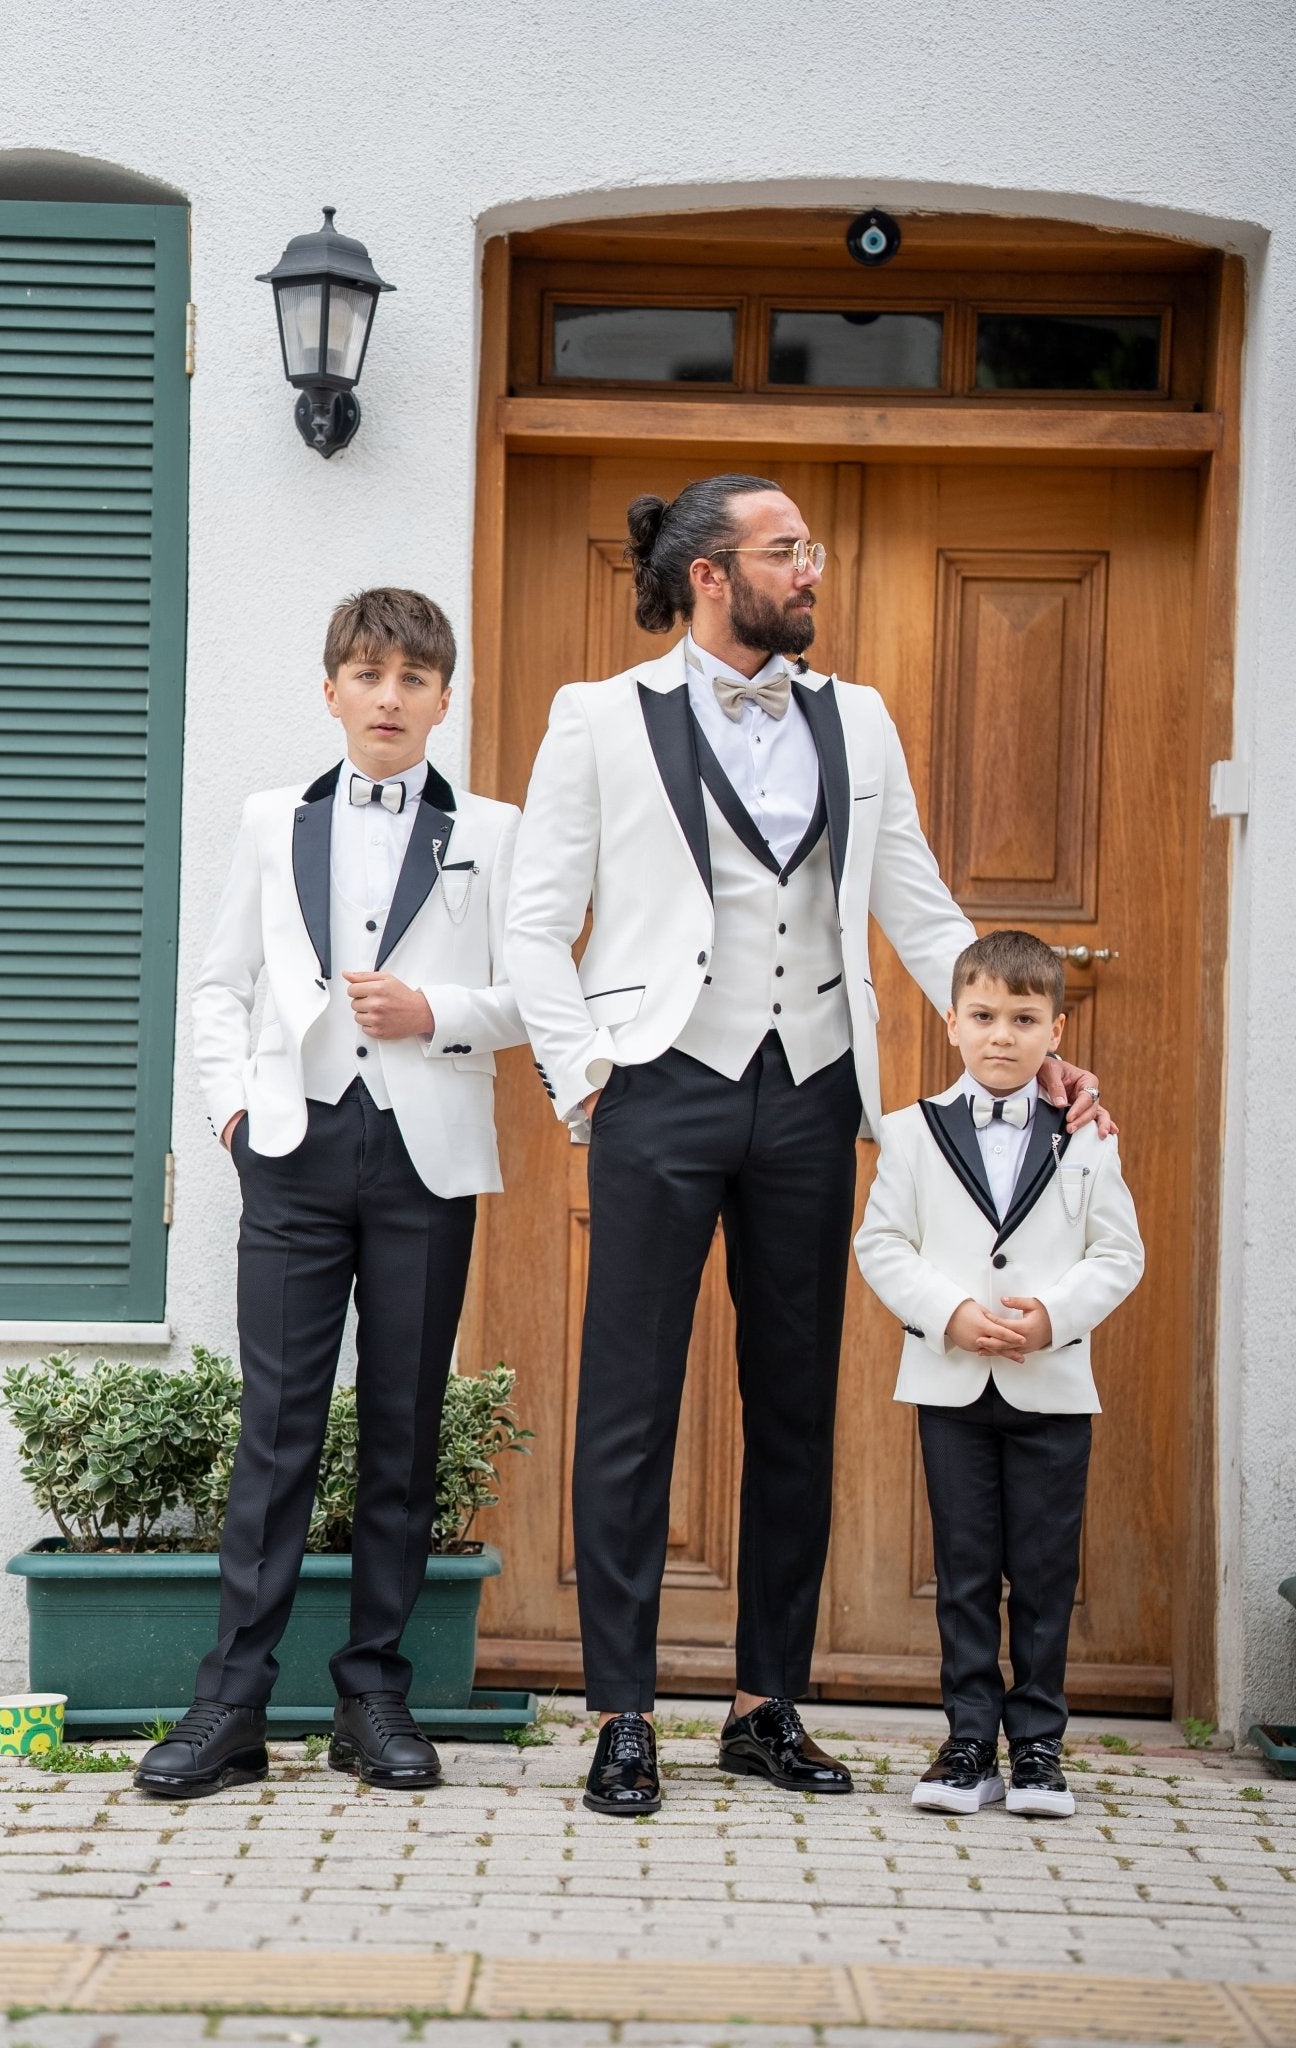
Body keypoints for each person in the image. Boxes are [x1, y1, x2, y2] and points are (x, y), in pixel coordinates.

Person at [503, 475, 1110, 1817]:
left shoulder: (860, 719)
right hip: (659, 1086)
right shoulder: (602, 719)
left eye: (812, 551)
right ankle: (622, 1712)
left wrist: (1029, 1048)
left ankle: (764, 1703)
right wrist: (585, 1077)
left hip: (817, 1092)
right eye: (790, 553)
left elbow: (920, 903)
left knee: (792, 1405)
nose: (815, 570)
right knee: (629, 1409)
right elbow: (534, 921)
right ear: (713, 574)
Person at [136, 588, 525, 1800]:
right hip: (294, 1152)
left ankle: (375, 1695)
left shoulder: (496, 834)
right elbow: (217, 984)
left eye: (415, 678)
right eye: (369, 675)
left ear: (444, 698)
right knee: (280, 1425)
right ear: (332, 691)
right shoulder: (271, 819)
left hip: (425, 1156)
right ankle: (231, 1704)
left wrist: (440, 1012)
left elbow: (539, 994)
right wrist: (233, 1115)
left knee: (405, 1431)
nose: (391, 696)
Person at [854, 930, 1144, 1819]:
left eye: (1024, 1019)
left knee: (1047, 1573)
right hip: (951, 1385)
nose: (1002, 1036)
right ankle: (969, 1742)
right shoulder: (909, 1134)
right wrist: (950, 1312)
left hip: (1051, 1389)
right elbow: (882, 1245)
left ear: (1057, 1030)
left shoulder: (1087, 1137)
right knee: (967, 1568)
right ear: (952, 1022)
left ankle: (1041, 1747)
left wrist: (1051, 1318)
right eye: (983, 1016)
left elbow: (1118, 1253)